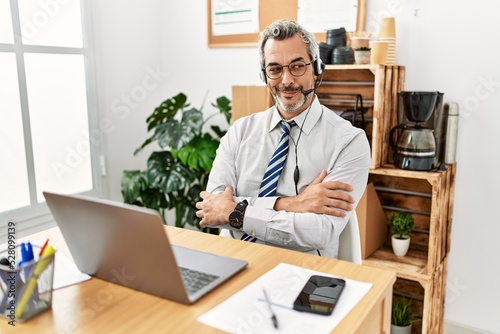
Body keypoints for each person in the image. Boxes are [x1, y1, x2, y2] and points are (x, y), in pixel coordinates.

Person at [195, 19, 370, 258]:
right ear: (264, 75)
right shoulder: (240, 131)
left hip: (304, 273)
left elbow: (320, 232)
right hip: (236, 261)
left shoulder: (349, 142)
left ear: (316, 68)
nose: (286, 80)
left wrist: (235, 212)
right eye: (275, 69)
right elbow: (212, 210)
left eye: (297, 66)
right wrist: (293, 204)